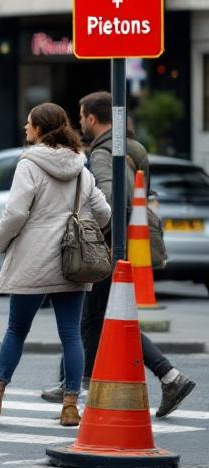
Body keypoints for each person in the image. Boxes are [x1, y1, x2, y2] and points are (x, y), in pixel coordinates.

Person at [40, 92, 196, 416]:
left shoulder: (102, 153)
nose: (80, 122)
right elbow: (143, 194)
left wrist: (96, 232)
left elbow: (109, 198)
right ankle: (163, 378)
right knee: (104, 318)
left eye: (81, 116)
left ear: (92, 119)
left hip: (108, 245)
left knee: (89, 317)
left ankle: (78, 385)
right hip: (129, 244)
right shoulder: (134, 148)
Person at [0, 103, 111, 428]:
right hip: (74, 261)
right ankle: (71, 405)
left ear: (39, 130)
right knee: (71, 334)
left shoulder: (29, 165)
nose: (25, 129)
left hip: (34, 259)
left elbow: (15, 213)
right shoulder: (81, 170)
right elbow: (104, 213)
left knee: (16, 329)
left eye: (28, 124)